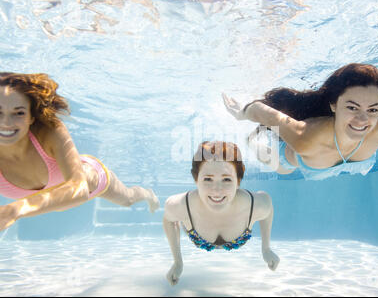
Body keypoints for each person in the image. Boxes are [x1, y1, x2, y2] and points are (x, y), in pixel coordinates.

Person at [222, 41, 378, 180]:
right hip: (292, 158)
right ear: (333, 105)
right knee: (281, 168)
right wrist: (241, 114)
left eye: (373, 109)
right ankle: (253, 140)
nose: (363, 119)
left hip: (348, 161)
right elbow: (261, 110)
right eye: (352, 107)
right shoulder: (306, 137)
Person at [0, 72, 160, 231]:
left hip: (89, 179)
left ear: (31, 117)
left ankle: (147, 194)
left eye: (19, 113)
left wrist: (15, 210)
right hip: (58, 195)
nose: (6, 122)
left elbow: (79, 189)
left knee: (128, 199)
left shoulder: (49, 131)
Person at [163, 141, 279, 286]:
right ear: (196, 179)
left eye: (226, 179)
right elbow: (169, 220)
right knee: (180, 218)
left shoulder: (255, 205)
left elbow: (268, 210)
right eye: (208, 179)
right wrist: (177, 262)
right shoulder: (179, 206)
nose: (217, 190)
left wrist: (266, 248)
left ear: (238, 181)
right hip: (190, 219)